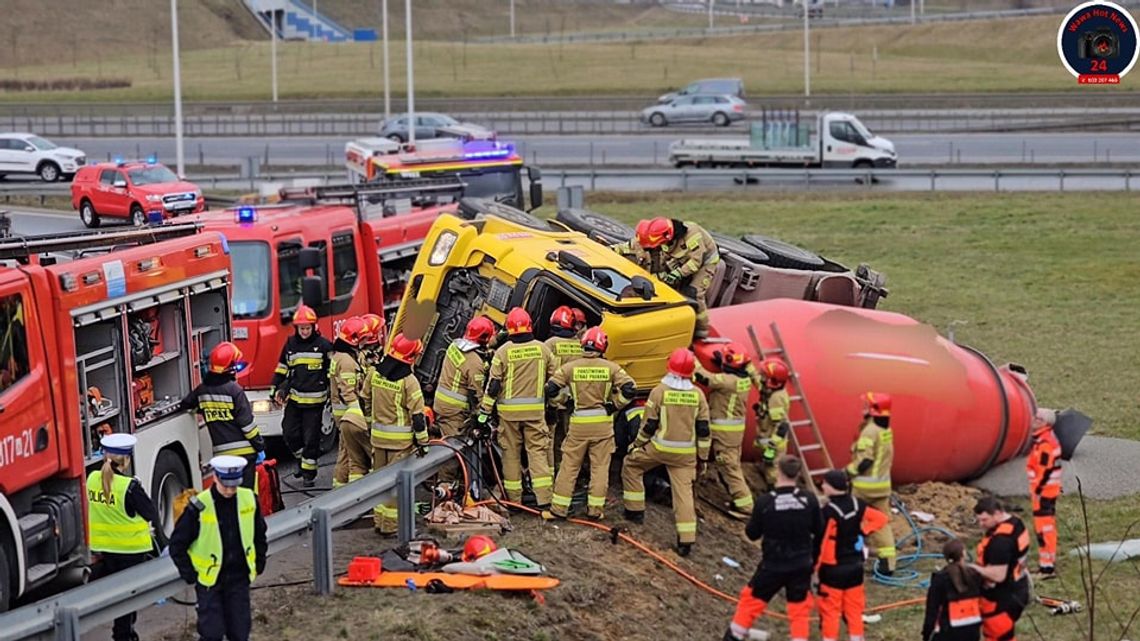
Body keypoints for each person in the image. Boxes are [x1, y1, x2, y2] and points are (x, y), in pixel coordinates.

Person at [721, 455, 822, 641]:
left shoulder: (766, 502)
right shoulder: (809, 500)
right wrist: (813, 562)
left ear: (778, 472)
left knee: (751, 600)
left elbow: (752, 533)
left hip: (773, 564)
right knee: (799, 608)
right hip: (801, 564)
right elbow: (819, 532)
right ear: (798, 474)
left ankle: (734, 635)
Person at [621, 347, 710, 556]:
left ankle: (634, 512)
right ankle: (686, 540)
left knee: (631, 466)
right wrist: (703, 459)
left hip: (659, 448)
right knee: (683, 494)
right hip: (685, 456)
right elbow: (704, 430)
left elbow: (649, 425)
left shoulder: (659, 391)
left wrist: (636, 445)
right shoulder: (697, 395)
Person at [542, 327, 636, 521]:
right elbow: (630, 388)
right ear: (603, 346)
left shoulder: (571, 367)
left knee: (569, 467)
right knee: (600, 468)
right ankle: (595, 511)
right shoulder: (612, 368)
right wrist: (615, 406)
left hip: (578, 423)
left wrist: (564, 402)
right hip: (603, 424)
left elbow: (550, 388)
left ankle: (558, 509)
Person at [169, 456, 267, 641]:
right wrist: (189, 573)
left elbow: (259, 534)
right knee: (211, 634)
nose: (230, 490)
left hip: (238, 578)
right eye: (226, 486)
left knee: (240, 633)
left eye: (234, 486)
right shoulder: (199, 506)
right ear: (215, 478)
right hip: (210, 582)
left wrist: (259, 561)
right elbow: (177, 545)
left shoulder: (248, 499)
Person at [88, 434, 166, 641]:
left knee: (117, 595)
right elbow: (150, 512)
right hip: (130, 550)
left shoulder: (92, 479)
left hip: (104, 548)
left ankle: (124, 633)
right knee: (128, 598)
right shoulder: (129, 486)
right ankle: (123, 635)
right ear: (127, 460)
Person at [478, 307, 557, 507]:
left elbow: (493, 386)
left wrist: (483, 414)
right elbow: (555, 382)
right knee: (537, 454)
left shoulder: (502, 352)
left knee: (510, 456)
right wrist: (553, 407)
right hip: (535, 414)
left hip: (508, 416)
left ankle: (514, 501)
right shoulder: (543, 350)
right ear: (529, 325)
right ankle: (545, 501)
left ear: (509, 329)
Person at [612, 217, 720, 338]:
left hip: (704, 263)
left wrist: (679, 273)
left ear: (668, 238)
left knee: (694, 293)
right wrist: (610, 250)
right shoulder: (655, 235)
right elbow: (631, 247)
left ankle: (701, 332)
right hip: (680, 259)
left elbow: (695, 262)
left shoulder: (692, 235)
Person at [816, 469, 890, 641]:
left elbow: (820, 541)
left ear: (832, 487)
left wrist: (814, 568)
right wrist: (863, 531)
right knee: (854, 611)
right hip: (855, 567)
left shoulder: (828, 512)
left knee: (831, 612)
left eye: (825, 483)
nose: (823, 486)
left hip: (833, 569)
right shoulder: (858, 505)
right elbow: (881, 519)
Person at [180, 342, 264, 489]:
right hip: (245, 454)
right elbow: (247, 426)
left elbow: (186, 405)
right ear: (230, 368)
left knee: (227, 495)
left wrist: (204, 410)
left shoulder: (202, 390)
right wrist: (260, 446)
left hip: (222, 457)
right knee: (247, 496)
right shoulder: (234, 390)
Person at [369, 332, 429, 535]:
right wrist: (423, 443)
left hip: (377, 439)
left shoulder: (375, 373)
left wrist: (372, 424)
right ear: (410, 357)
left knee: (378, 484)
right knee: (396, 487)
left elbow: (365, 400)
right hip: (400, 444)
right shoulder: (409, 381)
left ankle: (379, 522)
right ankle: (392, 527)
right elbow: (418, 417)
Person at [269, 305, 333, 488]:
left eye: (307, 328)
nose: (304, 332)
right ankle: (301, 459)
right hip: (296, 400)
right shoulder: (290, 344)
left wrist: (332, 394)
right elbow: (282, 368)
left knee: (311, 438)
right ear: (296, 328)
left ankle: (308, 474)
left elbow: (331, 372)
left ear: (314, 327)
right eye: (301, 328)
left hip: (315, 403)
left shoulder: (324, 345)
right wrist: (276, 388)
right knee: (289, 433)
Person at [693, 342, 757, 515]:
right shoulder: (744, 378)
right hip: (733, 434)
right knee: (732, 465)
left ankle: (745, 507)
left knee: (729, 468)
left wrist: (692, 358)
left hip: (724, 434)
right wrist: (723, 359)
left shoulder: (728, 381)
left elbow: (704, 377)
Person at [846, 391, 896, 576]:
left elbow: (865, 460)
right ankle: (888, 563)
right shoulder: (885, 430)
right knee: (883, 523)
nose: (863, 408)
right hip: (882, 487)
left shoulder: (870, 430)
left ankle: (851, 557)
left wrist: (847, 472)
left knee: (851, 520)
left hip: (864, 488)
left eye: (866, 405)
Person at [970, 497, 1031, 641]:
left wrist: (973, 569)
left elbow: (998, 575)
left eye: (984, 520)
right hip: (1019, 587)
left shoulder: (1000, 542)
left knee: (997, 636)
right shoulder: (1016, 523)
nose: (981, 525)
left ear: (997, 513)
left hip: (1001, 598)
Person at [432, 316, 494, 438]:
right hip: (455, 411)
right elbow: (476, 393)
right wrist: (483, 413)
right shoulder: (475, 363)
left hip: (441, 402)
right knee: (454, 445)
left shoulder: (454, 346)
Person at [328, 317, 372, 488]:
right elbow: (348, 391)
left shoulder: (342, 356)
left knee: (346, 453)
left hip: (344, 413)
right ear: (354, 339)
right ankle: (343, 492)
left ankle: (341, 490)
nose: (366, 341)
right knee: (349, 454)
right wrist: (359, 414)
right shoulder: (346, 361)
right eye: (363, 338)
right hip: (348, 413)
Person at [544, 306, 585, 468]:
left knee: (549, 438)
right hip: (573, 399)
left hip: (553, 399)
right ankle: (569, 472)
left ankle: (550, 472)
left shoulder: (550, 344)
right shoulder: (579, 346)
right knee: (570, 438)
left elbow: (545, 371)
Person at [922, 540, 984, 641]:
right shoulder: (975, 576)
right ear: (964, 554)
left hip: (948, 632)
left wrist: (926, 634)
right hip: (972, 631)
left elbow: (932, 610)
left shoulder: (940, 579)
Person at [1026, 408, 1062, 580]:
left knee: (1044, 529)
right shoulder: (1044, 439)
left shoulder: (1045, 443)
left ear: (1045, 423)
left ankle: (1047, 568)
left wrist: (1038, 491)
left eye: (1037, 418)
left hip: (1043, 492)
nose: (1033, 419)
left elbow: (1044, 470)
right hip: (1047, 490)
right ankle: (1047, 564)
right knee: (1046, 528)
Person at [753, 357, 791, 492]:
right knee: (768, 470)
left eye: (764, 375)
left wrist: (771, 449)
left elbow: (781, 427)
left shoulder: (777, 398)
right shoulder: (770, 390)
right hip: (767, 438)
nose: (761, 377)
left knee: (773, 473)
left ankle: (776, 494)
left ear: (772, 381)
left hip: (774, 444)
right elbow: (757, 380)